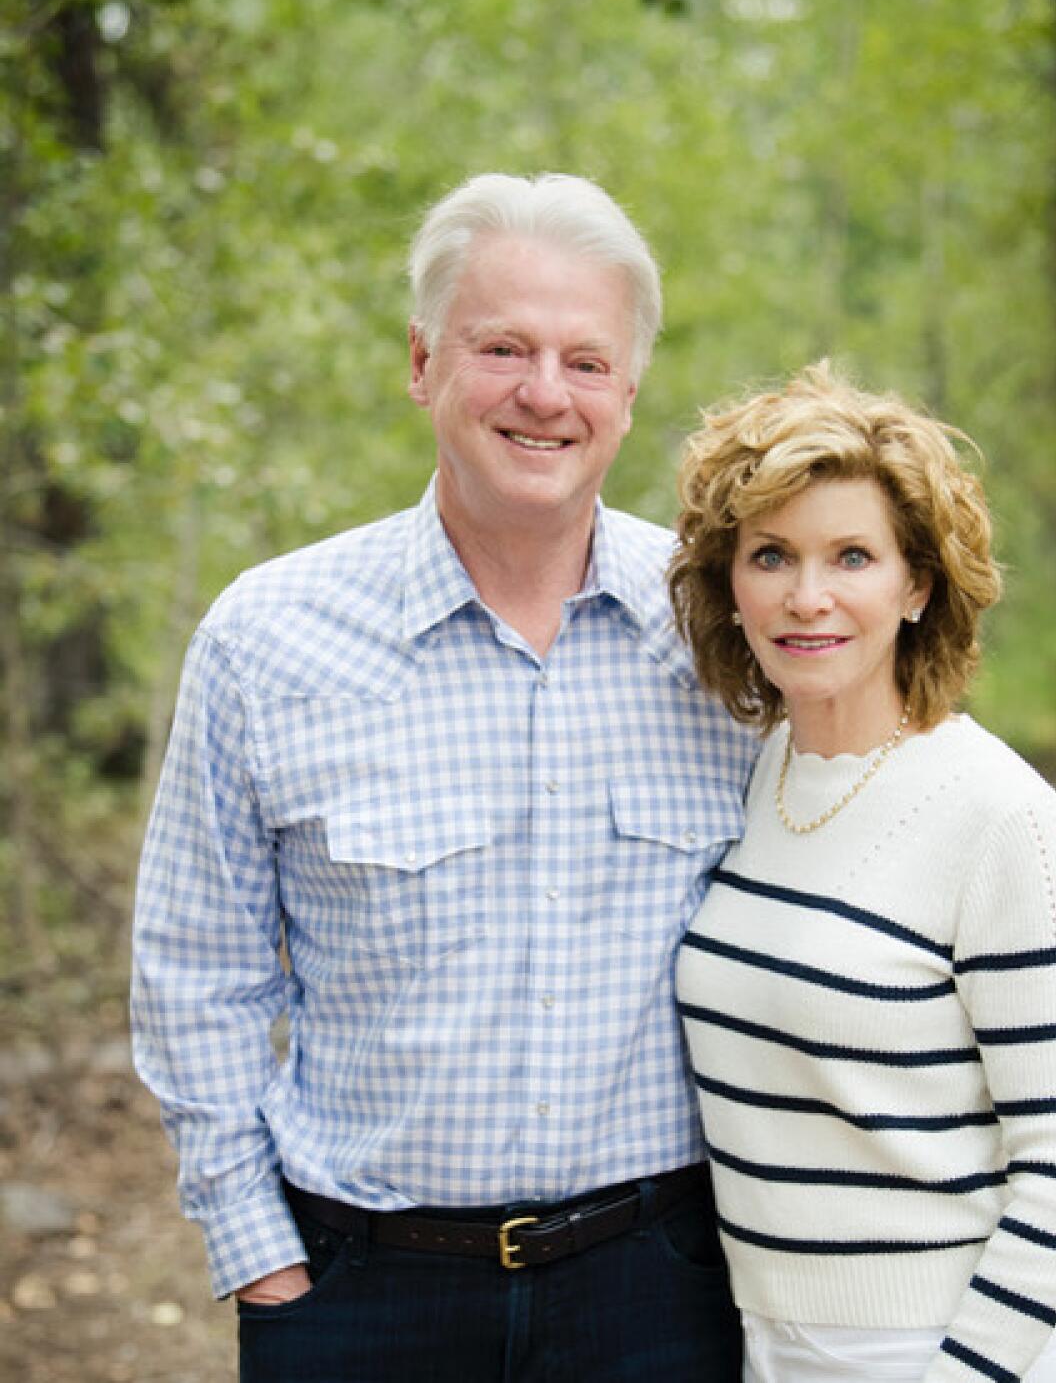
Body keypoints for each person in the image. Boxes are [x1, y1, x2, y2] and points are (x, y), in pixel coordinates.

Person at [131, 172, 759, 1381]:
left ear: (629, 392)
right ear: (422, 363)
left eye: (586, 361)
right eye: (502, 347)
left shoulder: (727, 635)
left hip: (663, 1293)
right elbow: (194, 967)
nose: (543, 394)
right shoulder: (269, 638)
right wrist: (259, 1254)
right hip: (362, 1298)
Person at [668, 363, 1056, 1383]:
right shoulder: (754, 775)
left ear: (917, 584)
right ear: (728, 582)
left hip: (931, 1352)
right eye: (771, 555)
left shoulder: (1000, 815)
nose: (807, 596)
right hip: (758, 1343)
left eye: (853, 556)